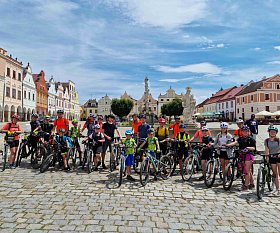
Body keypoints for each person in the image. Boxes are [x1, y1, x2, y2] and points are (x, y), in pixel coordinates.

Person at [226, 125, 256, 191]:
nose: (245, 132)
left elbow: (254, 148)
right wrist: (228, 145)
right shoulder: (240, 138)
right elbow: (235, 142)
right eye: (244, 131)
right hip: (242, 155)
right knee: (248, 171)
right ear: (242, 132)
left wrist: (248, 148)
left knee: (246, 171)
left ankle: (246, 186)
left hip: (249, 155)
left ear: (248, 132)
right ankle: (252, 184)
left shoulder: (251, 139)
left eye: (246, 131)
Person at [264, 125, 280, 195]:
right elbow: (267, 150)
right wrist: (267, 157)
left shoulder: (279, 140)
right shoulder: (267, 141)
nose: (272, 133)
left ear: (276, 133)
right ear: (269, 132)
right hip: (272, 157)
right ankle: (277, 189)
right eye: (271, 132)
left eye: (274, 132)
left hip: (279, 157)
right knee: (275, 174)